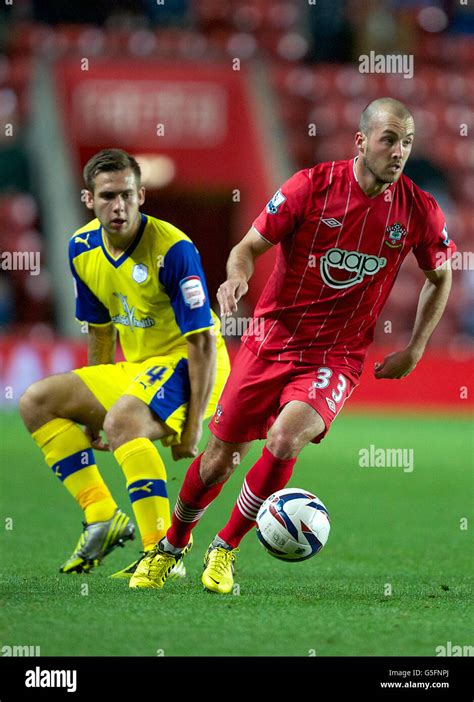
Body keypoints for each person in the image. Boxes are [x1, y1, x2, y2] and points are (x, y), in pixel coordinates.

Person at [129, 98, 456, 592]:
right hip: (270, 341)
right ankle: (172, 546)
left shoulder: (418, 209)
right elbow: (247, 248)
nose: (399, 152)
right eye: (389, 140)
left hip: (335, 356)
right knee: (221, 456)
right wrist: (235, 279)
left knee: (285, 439)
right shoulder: (311, 186)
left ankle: (225, 548)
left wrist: (415, 348)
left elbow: (440, 275)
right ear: (361, 141)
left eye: (407, 143)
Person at [19, 148, 230, 578]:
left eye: (127, 196)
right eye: (108, 196)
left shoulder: (173, 250)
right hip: (141, 368)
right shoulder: (81, 249)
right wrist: (90, 409)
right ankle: (100, 514)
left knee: (123, 421)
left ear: (142, 196)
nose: (118, 207)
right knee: (36, 400)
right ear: (88, 200)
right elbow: (100, 332)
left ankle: (163, 556)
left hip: (190, 364)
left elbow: (204, 343)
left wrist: (191, 433)